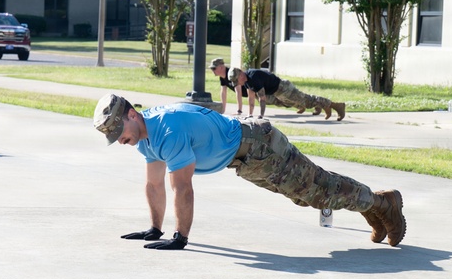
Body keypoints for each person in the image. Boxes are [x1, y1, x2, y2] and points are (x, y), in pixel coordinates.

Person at [93, 93, 404, 250]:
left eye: (119, 130)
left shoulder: (167, 130)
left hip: (259, 146)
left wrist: (180, 238)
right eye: (114, 136)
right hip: (245, 160)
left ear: (132, 115)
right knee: (310, 197)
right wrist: (155, 229)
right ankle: (373, 207)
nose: (119, 139)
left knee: (319, 190)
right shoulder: (143, 137)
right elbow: (154, 185)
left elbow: (182, 188)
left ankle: (381, 203)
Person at [229, 67, 346, 121]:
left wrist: (261, 116)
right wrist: (250, 115)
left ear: (240, 75)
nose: (236, 83)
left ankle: (336, 106)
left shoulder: (253, 77)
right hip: (277, 92)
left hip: (283, 88)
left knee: (307, 100)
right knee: (292, 103)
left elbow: (262, 98)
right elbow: (251, 99)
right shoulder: (246, 82)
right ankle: (322, 106)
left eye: (236, 80)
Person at [209, 57, 290, 116]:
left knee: (276, 100)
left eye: (214, 68)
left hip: (255, 89)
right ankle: (291, 104)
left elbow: (238, 92)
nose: (212, 70)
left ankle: (293, 103)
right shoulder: (222, 77)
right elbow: (223, 93)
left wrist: (239, 110)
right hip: (252, 93)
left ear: (221, 67)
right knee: (274, 102)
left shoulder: (231, 75)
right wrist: (222, 110)